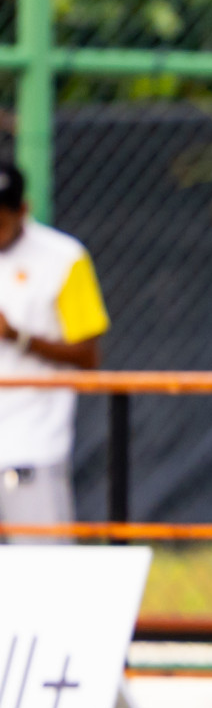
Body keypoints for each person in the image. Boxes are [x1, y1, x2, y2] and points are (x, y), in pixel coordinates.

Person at [0, 162, 110, 544]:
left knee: (44, 569)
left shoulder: (63, 258)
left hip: (30, 443)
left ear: (23, 210)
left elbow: (89, 356)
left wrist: (17, 336)